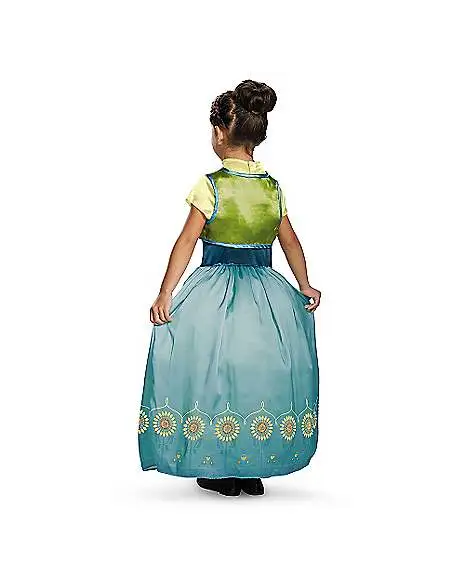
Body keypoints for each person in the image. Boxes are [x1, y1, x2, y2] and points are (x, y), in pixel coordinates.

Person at [138, 80, 321, 496]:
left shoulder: (211, 185)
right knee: (256, 372)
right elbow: (290, 241)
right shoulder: (272, 188)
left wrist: (166, 291)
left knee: (216, 370)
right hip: (267, 299)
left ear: (220, 133)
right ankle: (251, 466)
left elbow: (187, 241)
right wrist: (305, 284)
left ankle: (223, 469)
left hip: (213, 293)